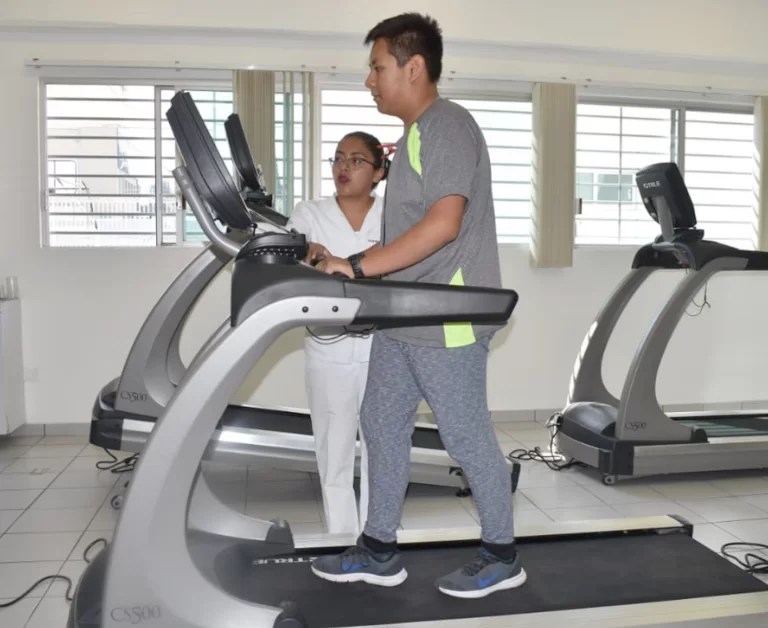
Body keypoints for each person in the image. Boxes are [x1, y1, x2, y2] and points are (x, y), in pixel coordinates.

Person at [308, 12, 527, 599]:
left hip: (444, 319)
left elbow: (444, 224)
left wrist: (357, 266)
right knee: (380, 425)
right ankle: (379, 549)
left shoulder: (445, 125)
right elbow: (409, 233)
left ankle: (502, 555)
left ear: (413, 67)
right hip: (404, 317)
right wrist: (358, 268)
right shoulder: (412, 140)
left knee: (466, 438)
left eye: (377, 67)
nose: (370, 80)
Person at [287, 131, 387, 535]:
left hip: (385, 347)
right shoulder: (310, 212)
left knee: (383, 450)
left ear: (378, 172)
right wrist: (312, 252)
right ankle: (343, 541)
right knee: (334, 452)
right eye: (338, 158)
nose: (344, 167)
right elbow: (297, 248)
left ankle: (378, 539)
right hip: (328, 345)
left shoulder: (395, 214)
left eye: (357, 160)